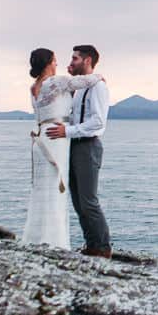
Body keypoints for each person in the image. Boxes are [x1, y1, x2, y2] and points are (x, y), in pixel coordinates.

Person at [20, 47, 104, 249]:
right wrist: (100, 75)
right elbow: (89, 80)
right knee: (56, 190)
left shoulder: (34, 87)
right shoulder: (58, 82)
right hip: (56, 138)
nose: (58, 64)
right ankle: (54, 241)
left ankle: (37, 237)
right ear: (49, 62)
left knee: (42, 190)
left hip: (40, 140)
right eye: (56, 60)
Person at [44, 44, 112, 258]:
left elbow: (98, 122)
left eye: (74, 59)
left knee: (89, 201)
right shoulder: (80, 87)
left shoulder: (98, 87)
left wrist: (68, 131)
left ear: (87, 60)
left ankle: (102, 248)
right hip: (73, 145)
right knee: (77, 200)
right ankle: (91, 245)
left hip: (88, 145)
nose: (70, 62)